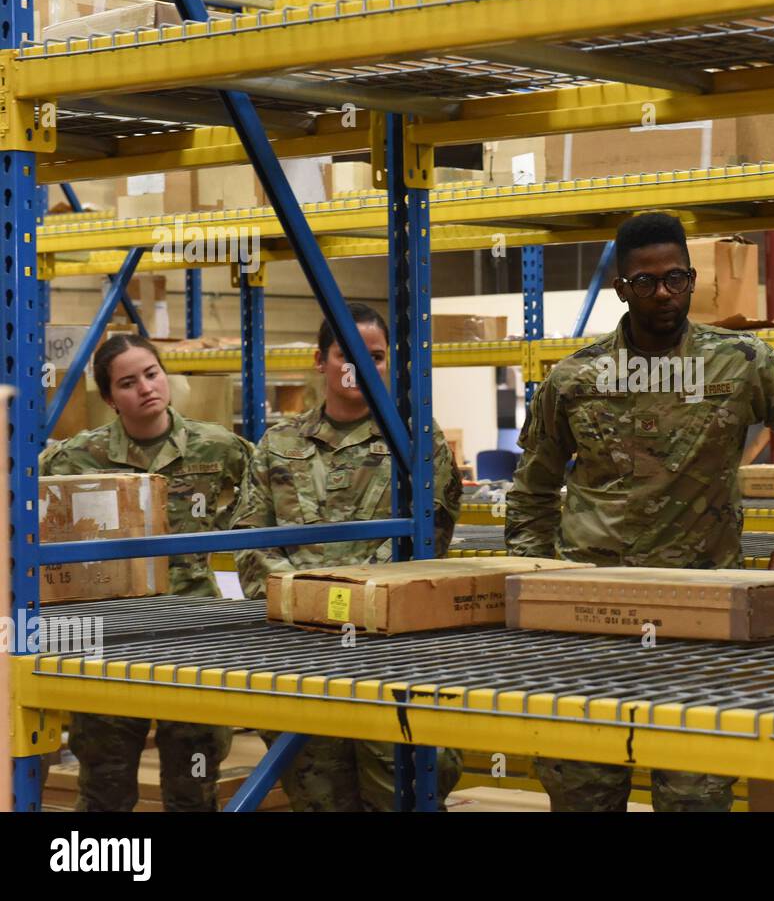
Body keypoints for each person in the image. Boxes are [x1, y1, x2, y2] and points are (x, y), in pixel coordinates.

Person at [506, 212, 774, 812]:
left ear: (693, 279)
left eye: (676, 279)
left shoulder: (743, 362)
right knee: (581, 789)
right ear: (620, 288)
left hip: (700, 615)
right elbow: (532, 492)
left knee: (696, 793)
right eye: (646, 282)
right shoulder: (575, 379)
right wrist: (532, 587)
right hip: (589, 619)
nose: (664, 295)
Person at [231, 302, 463, 811]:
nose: (361, 365)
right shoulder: (278, 445)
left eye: (375, 355)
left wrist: (350, 602)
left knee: (400, 790)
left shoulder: (417, 441)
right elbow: (250, 539)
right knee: (317, 791)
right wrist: (305, 600)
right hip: (299, 653)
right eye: (347, 354)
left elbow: (430, 539)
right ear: (320, 361)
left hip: (392, 652)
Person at [40, 333, 253, 811]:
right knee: (104, 786)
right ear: (111, 397)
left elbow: (264, 510)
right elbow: (27, 519)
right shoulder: (75, 458)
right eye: (128, 382)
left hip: (193, 632)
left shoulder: (217, 447)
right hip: (111, 638)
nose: (146, 388)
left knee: (194, 782)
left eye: (152, 374)